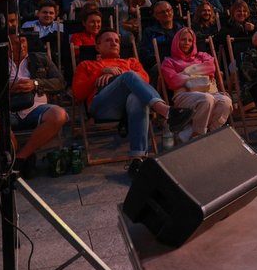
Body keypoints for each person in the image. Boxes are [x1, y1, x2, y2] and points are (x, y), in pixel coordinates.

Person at [72, 29, 179, 176]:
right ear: (97, 47)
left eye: (116, 41)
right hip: (103, 107)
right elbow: (78, 93)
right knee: (130, 76)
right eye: (108, 40)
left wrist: (119, 74)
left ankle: (137, 159)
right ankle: (165, 111)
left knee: (136, 97)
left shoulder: (131, 62)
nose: (113, 43)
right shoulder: (86, 65)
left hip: (129, 107)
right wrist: (102, 71)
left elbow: (145, 81)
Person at [0, 34, 69, 178]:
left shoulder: (40, 58)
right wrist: (7, 88)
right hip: (6, 108)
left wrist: (35, 83)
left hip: (36, 107)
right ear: (5, 46)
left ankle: (20, 158)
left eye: (23, 41)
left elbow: (60, 83)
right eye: (15, 43)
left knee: (60, 115)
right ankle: (18, 158)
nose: (21, 46)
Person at [160, 27, 232, 142]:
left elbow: (211, 67)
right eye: (183, 40)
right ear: (177, 41)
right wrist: (200, 74)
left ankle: (209, 132)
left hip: (209, 91)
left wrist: (186, 73)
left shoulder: (202, 55)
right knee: (206, 99)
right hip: (184, 95)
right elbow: (173, 81)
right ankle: (198, 134)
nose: (187, 43)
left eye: (190, 40)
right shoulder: (169, 61)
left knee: (225, 101)